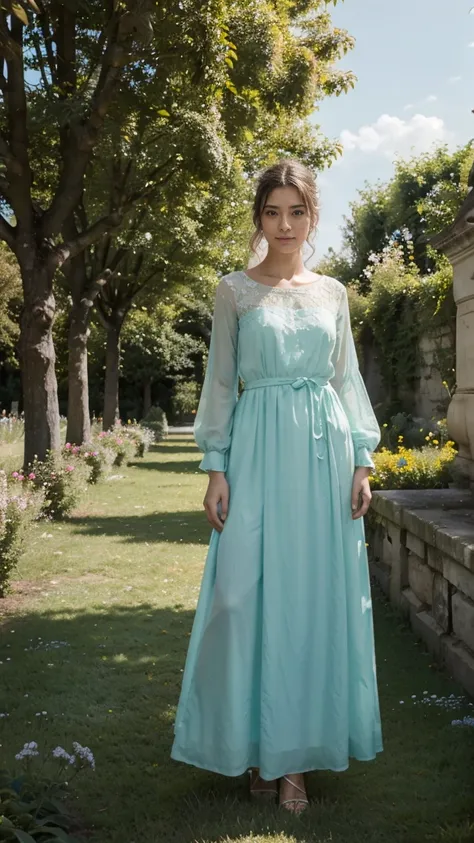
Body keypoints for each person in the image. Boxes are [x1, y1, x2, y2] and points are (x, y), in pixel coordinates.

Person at [171, 159, 383, 813]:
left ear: (311, 217)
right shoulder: (233, 290)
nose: (284, 224)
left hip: (323, 454)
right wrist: (215, 466)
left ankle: (291, 763)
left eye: (296, 211)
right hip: (259, 452)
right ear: (259, 218)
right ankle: (254, 744)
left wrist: (363, 460)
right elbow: (220, 380)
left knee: (309, 603)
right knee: (240, 598)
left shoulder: (333, 294)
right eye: (272, 212)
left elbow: (346, 379)